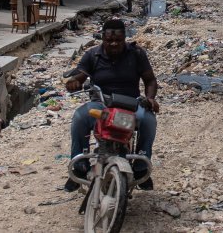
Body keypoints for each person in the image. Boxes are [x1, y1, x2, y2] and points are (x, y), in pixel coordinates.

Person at [64, 18, 160, 191]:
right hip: (101, 105)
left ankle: (141, 167)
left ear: (125, 38)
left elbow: (150, 80)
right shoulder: (92, 55)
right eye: (109, 40)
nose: (114, 44)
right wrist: (73, 83)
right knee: (80, 118)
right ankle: (79, 167)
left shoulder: (137, 53)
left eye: (118, 40)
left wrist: (150, 98)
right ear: (103, 38)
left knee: (148, 120)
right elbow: (79, 76)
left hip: (131, 104)